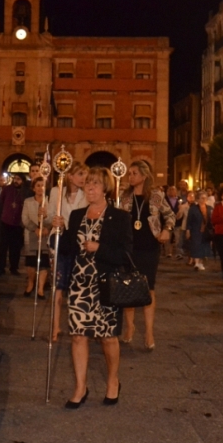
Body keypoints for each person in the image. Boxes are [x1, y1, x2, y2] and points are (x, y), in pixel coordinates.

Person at [55, 166, 132, 408]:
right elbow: (68, 249)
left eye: (95, 184)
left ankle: (112, 380)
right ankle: (80, 387)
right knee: (78, 336)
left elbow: (127, 254)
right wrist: (60, 231)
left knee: (108, 337)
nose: (90, 188)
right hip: (79, 284)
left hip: (105, 284)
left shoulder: (119, 217)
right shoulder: (77, 215)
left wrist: (99, 248)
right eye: (87, 184)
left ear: (105, 188)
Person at [119, 160, 175, 351]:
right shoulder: (124, 197)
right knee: (128, 288)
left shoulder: (156, 195)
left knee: (148, 288)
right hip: (128, 248)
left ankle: (149, 331)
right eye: (129, 173)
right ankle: (129, 327)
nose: (130, 176)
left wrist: (167, 230)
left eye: (134, 173)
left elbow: (170, 216)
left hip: (150, 248)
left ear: (144, 176)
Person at [47, 162, 88, 340]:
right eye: (80, 174)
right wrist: (54, 220)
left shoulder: (86, 193)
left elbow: (86, 218)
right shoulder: (57, 192)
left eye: (85, 174)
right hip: (61, 241)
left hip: (78, 242)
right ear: (69, 176)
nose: (84, 178)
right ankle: (55, 327)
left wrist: (68, 223)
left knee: (77, 287)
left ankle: (77, 325)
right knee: (57, 286)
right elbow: (50, 215)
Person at [21, 177, 51, 298]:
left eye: (42, 185)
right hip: (32, 234)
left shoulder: (50, 201)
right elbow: (24, 218)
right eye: (38, 185)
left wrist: (46, 227)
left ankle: (40, 288)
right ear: (33, 188)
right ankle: (30, 283)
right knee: (31, 262)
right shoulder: (28, 202)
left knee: (44, 262)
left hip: (46, 234)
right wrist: (35, 228)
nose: (40, 188)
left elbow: (53, 216)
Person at [0, 173, 26, 275]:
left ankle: (14, 268)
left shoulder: (24, 192)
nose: (16, 181)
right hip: (5, 221)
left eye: (18, 179)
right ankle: (0, 268)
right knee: (3, 247)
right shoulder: (7, 189)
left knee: (15, 247)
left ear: (22, 181)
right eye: (15, 179)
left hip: (18, 224)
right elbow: (1, 201)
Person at [186, 190, 213, 271]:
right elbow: (189, 220)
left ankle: (201, 262)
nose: (203, 200)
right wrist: (188, 230)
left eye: (205, 198)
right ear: (198, 199)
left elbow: (212, 220)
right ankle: (197, 263)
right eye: (201, 198)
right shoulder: (193, 209)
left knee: (204, 246)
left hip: (206, 231)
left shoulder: (209, 208)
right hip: (196, 230)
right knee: (196, 246)